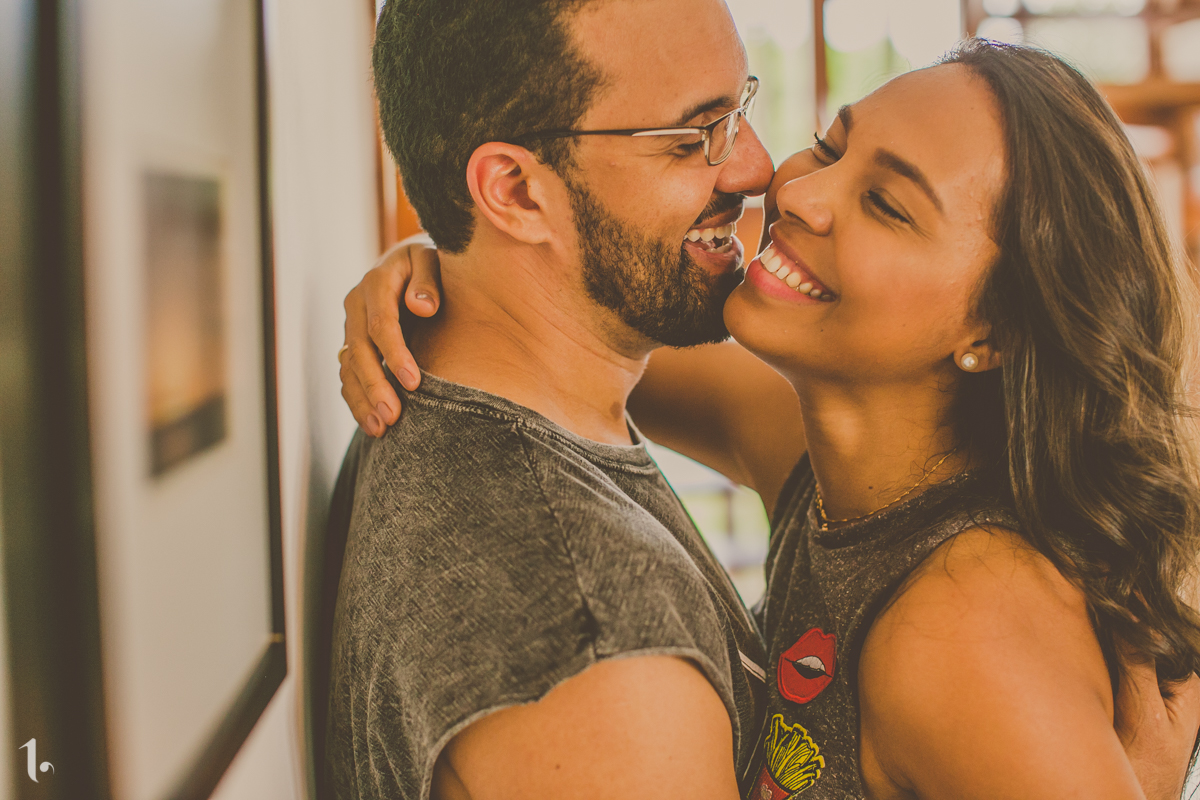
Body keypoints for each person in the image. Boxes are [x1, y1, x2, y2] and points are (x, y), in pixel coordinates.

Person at [340, 39, 1200, 798]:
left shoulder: (964, 628)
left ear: (995, 330)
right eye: (831, 145)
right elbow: (565, 322)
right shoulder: (821, 451)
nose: (800, 192)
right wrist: (442, 269)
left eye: (888, 205)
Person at [327, 1, 779, 799]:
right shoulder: (603, 658)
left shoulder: (488, 383)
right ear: (515, 191)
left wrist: (449, 257)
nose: (754, 168)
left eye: (738, 111)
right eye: (692, 136)